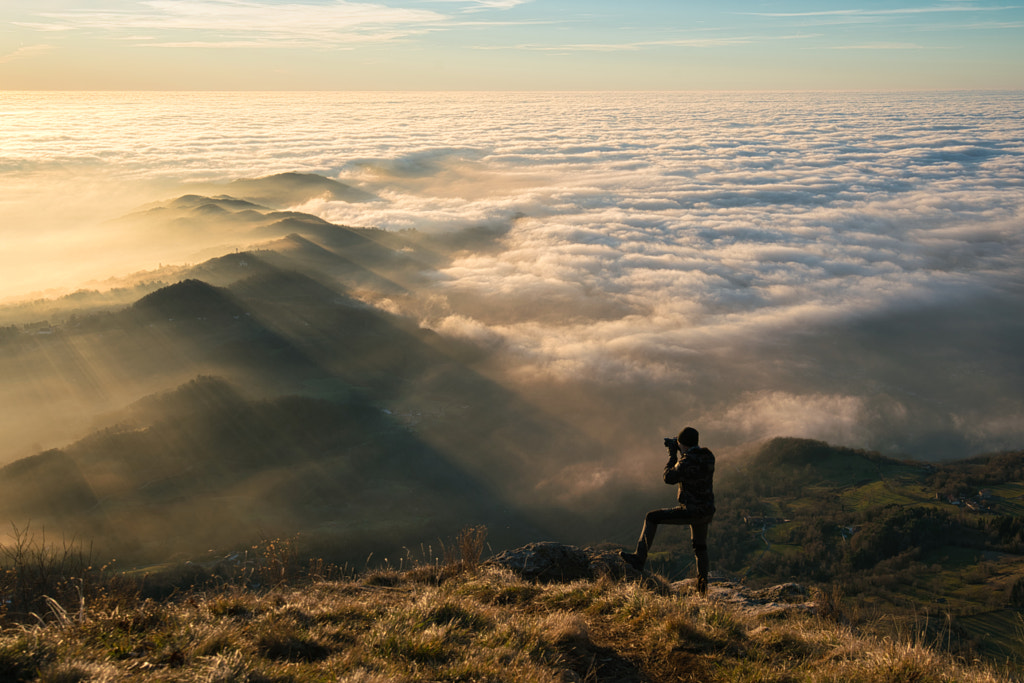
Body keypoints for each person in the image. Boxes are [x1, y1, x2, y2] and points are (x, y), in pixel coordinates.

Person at [620, 426, 715, 595]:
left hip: (691, 511)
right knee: (700, 548)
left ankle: (639, 558)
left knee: (652, 517)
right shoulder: (708, 457)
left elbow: (669, 477)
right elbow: (692, 463)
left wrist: (672, 455)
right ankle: (702, 587)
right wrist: (681, 449)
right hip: (706, 511)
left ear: (682, 444)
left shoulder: (686, 461)